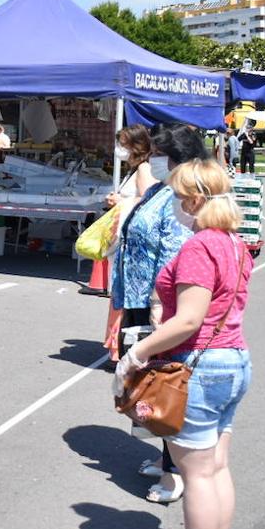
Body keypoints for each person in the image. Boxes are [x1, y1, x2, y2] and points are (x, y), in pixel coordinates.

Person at [118, 158, 253, 529]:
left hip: (199, 364)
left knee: (196, 476)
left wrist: (138, 352)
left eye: (177, 196)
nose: (174, 203)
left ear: (194, 200)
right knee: (216, 468)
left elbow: (189, 319)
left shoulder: (200, 247)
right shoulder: (234, 243)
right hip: (233, 359)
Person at [109, 123, 206, 504]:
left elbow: (174, 255)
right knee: (146, 384)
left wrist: (159, 309)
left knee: (163, 384)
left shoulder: (183, 200)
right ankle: (163, 455)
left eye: (162, 156)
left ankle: (174, 473)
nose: (156, 161)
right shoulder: (160, 191)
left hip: (158, 304)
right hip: (138, 296)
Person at [101, 125, 156, 360]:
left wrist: (120, 201)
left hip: (132, 244)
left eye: (122, 144)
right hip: (124, 240)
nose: (119, 149)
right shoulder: (134, 169)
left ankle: (121, 351)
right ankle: (117, 349)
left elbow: (146, 200)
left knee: (124, 296)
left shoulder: (144, 169)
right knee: (119, 296)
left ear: (136, 145)